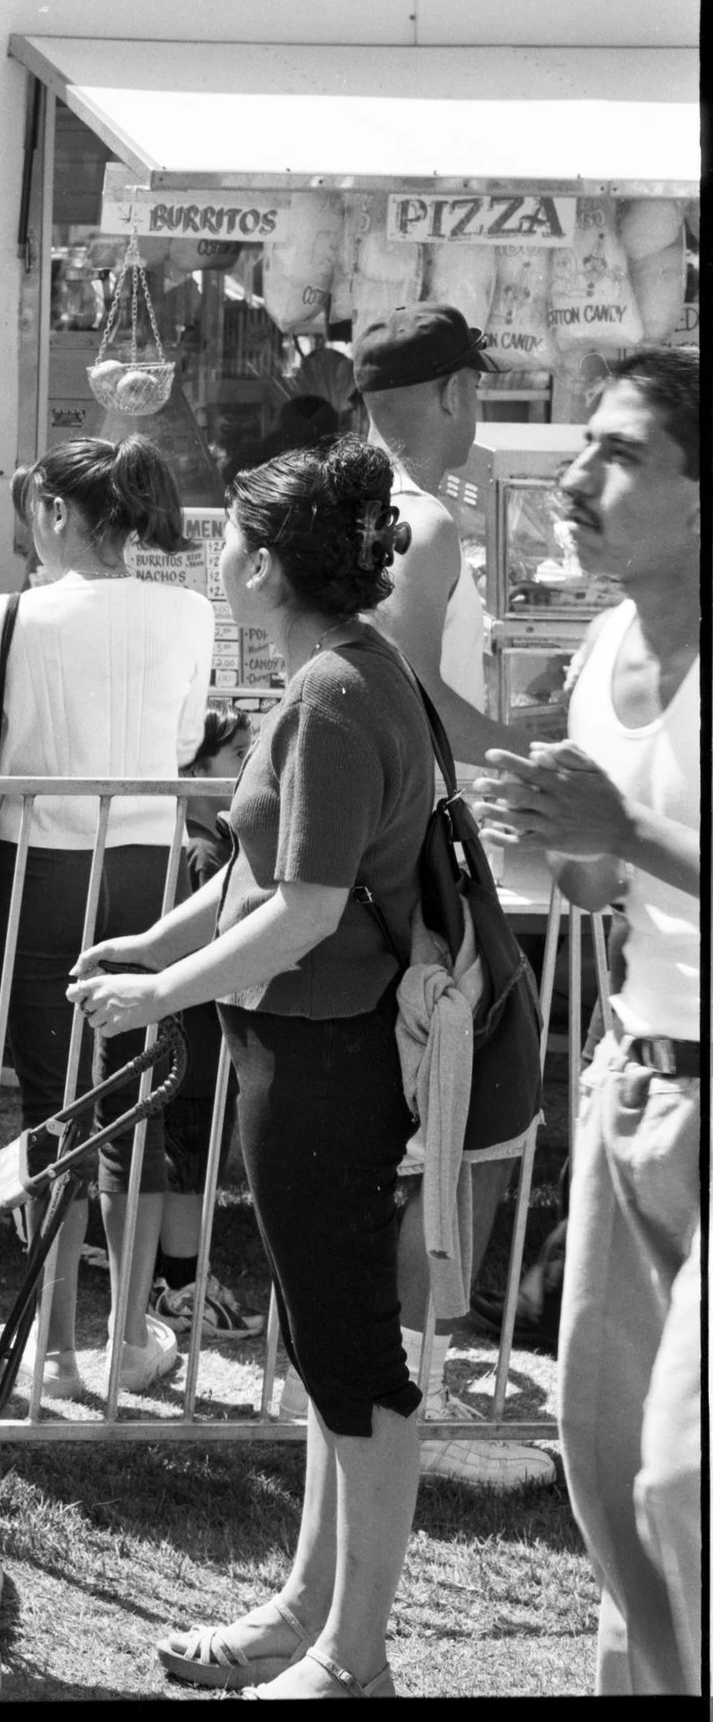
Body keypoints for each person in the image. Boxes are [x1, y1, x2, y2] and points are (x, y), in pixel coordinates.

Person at [72, 440, 434, 1700]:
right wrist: (154, 944)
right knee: (332, 1349)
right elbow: (255, 873)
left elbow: (305, 910)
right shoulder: (344, 678)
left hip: (330, 1059)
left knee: (353, 1361)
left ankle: (352, 1656)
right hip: (310, 1051)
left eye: (228, 537)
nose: (214, 554)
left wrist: (155, 995)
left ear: (265, 567)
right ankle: (306, 1614)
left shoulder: (333, 694)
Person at [473, 344, 700, 1698]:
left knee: (686, 1475)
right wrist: (562, 839)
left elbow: (649, 846)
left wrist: (627, 831)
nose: (576, 471)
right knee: (608, 1472)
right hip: (634, 1086)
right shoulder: (609, 641)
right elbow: (608, 888)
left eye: (621, 450)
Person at [0, 435, 211, 1399]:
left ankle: (52, 1346)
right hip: (149, 869)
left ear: (57, 512)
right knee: (135, 1097)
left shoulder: (9, 618)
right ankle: (126, 1332)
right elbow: (184, 742)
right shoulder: (189, 611)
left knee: (53, 1103)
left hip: (38, 866)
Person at [353, 303, 554, 1491]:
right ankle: (421, 1376)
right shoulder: (419, 524)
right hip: (421, 851)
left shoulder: (337, 504)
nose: (482, 406)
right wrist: (534, 746)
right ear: (446, 393)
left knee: (406, 1116)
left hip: (376, 846)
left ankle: (395, 1372)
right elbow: (422, 705)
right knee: (462, 1115)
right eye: (475, 385)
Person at [142, 707, 265, 1347]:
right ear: (193, 766)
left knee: (189, 1163)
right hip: (194, 1044)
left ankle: (178, 1278)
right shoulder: (203, 852)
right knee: (188, 1166)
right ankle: (183, 1289)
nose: (249, 765)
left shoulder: (209, 844)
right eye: (237, 753)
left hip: (196, 1042)